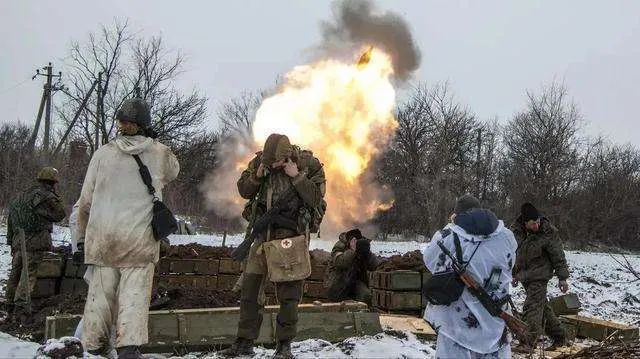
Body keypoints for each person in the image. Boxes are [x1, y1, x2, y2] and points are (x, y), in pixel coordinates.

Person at [75, 98, 179, 358]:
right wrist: (154, 142)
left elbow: (85, 202)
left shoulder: (102, 154)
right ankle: (128, 350)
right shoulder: (160, 153)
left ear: (120, 124)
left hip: (103, 240)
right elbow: (174, 171)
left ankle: (95, 348)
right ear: (145, 124)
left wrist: (79, 241)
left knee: (99, 300)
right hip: (138, 242)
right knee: (133, 299)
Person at [219, 133, 326, 359]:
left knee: (288, 296)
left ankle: (284, 345)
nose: (272, 166)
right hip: (261, 237)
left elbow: (316, 199)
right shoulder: (260, 163)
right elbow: (244, 190)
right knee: (250, 292)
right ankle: (244, 342)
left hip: (290, 238)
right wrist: (257, 176)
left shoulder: (309, 165)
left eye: (276, 162)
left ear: (287, 156)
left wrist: (296, 177)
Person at [423, 194, 517, 358]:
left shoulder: (449, 235)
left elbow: (430, 261)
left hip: (457, 324)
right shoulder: (507, 235)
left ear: (457, 214)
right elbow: (509, 265)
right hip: (496, 319)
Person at [511, 203, 569, 350]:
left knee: (532, 307)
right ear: (525, 223)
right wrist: (514, 273)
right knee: (542, 309)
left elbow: (558, 255)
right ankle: (560, 336)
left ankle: (529, 342)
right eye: (532, 224)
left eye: (537, 222)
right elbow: (513, 253)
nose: (536, 225)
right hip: (525, 275)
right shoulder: (516, 231)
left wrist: (562, 277)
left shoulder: (548, 231)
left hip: (540, 275)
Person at [5, 167, 66, 306]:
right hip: (36, 241)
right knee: (28, 274)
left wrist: (11, 242)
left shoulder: (21, 195)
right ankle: (21, 307)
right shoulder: (47, 196)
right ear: (53, 182)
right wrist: (46, 215)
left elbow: (10, 220)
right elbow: (60, 214)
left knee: (15, 273)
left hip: (18, 241)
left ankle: (8, 303)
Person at [325, 228, 379, 304]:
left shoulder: (360, 247)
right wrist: (352, 250)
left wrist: (366, 253)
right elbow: (340, 262)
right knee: (340, 302)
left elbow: (374, 265)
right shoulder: (339, 246)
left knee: (366, 296)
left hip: (354, 282)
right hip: (338, 283)